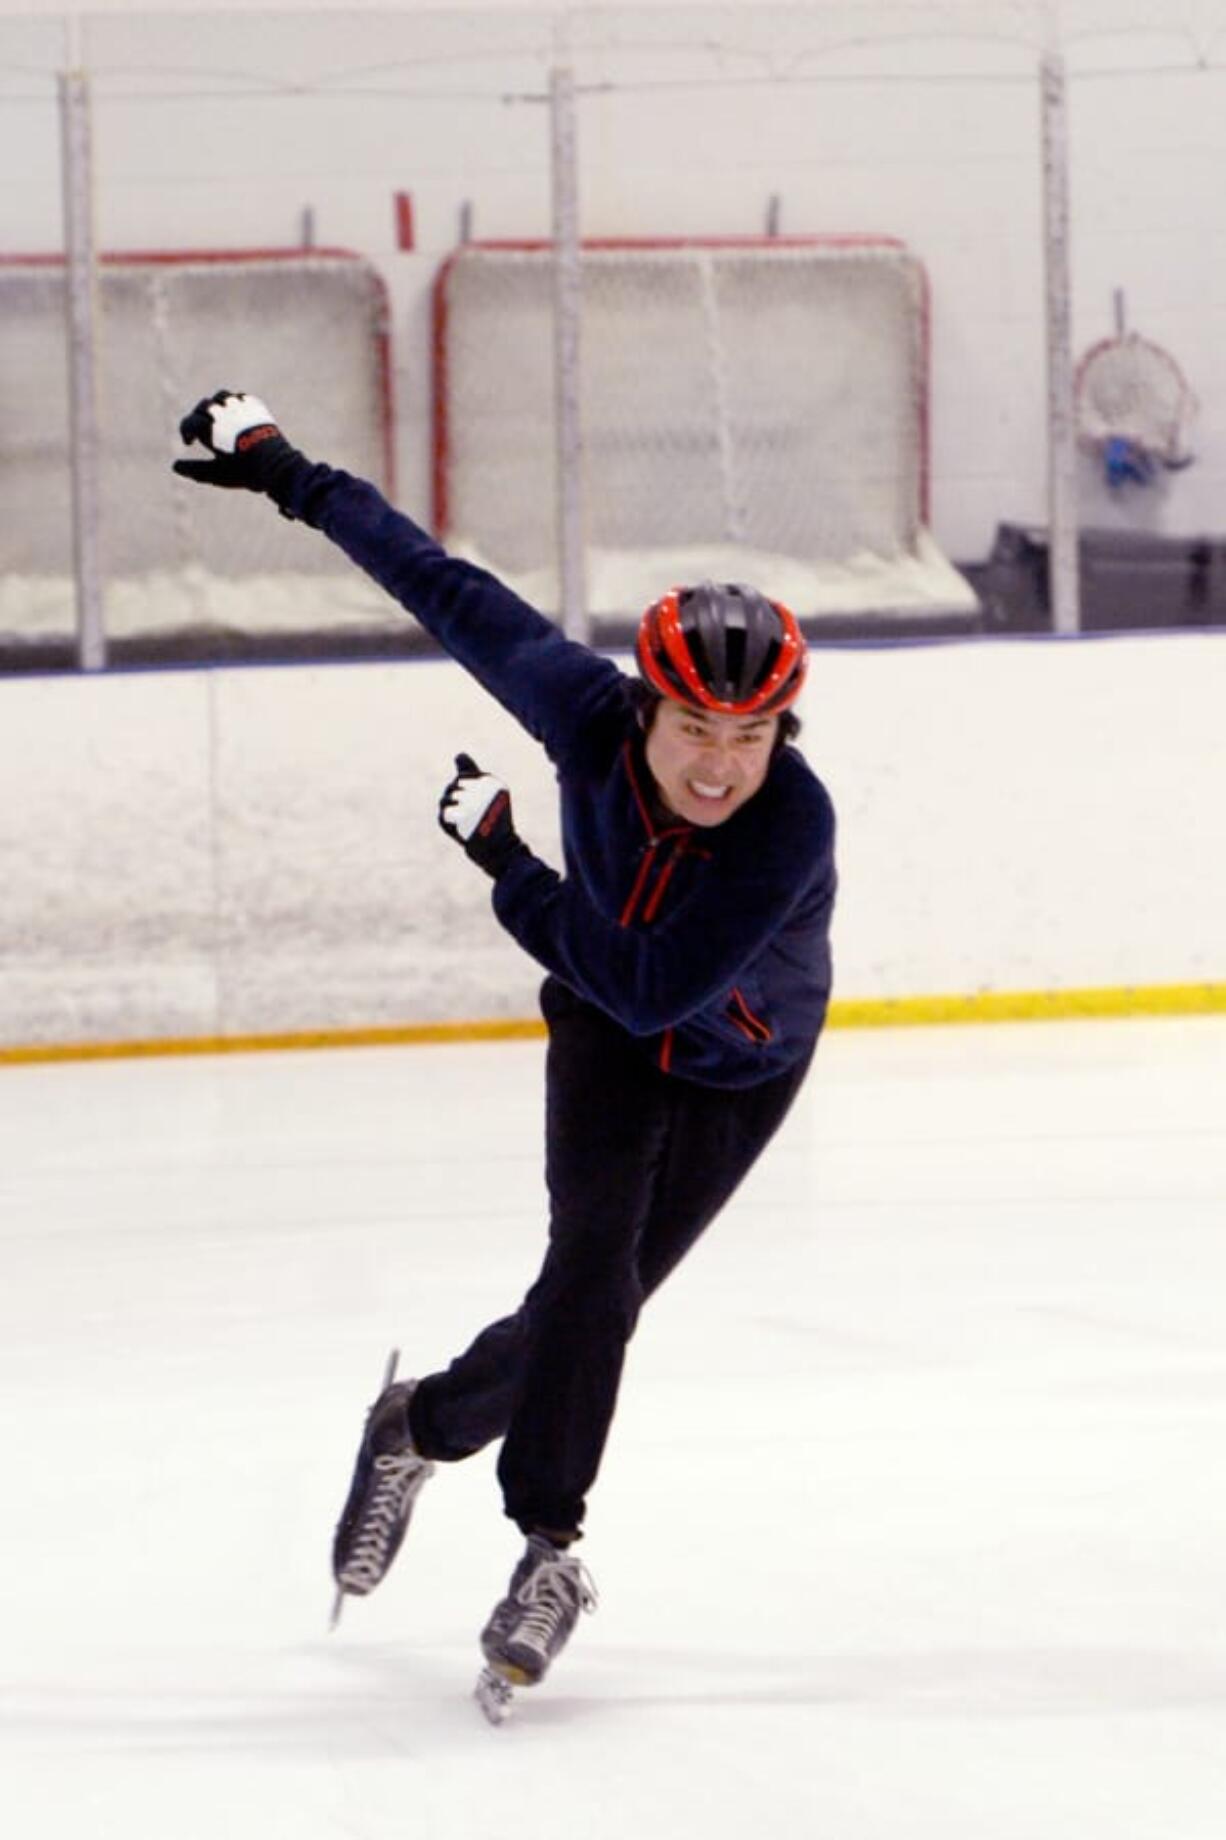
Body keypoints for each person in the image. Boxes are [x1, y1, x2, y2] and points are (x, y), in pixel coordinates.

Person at [173, 390, 837, 1704]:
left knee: (590, 1312)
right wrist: (284, 471)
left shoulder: (785, 830)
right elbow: (440, 586)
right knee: (590, 1281)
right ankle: (551, 1548)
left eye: (747, 737)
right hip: (602, 1029)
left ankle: (415, 1424)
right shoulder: (581, 717)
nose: (717, 766)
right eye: (695, 728)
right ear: (645, 706)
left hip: (735, 1071)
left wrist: (508, 870)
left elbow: (657, 984)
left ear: (779, 734)